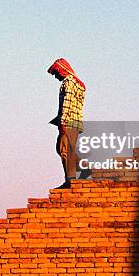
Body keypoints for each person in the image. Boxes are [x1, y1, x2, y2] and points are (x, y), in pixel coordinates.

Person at [47, 58, 89, 188]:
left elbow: (67, 104)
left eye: (56, 73)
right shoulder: (77, 83)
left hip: (68, 121)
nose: (56, 77)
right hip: (74, 121)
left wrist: (63, 124)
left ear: (62, 71)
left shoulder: (69, 82)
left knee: (65, 150)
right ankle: (85, 169)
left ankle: (70, 180)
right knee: (63, 149)